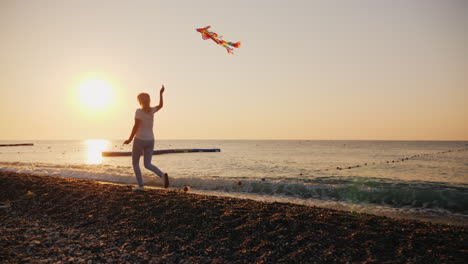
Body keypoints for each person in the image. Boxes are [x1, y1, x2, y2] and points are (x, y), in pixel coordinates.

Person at [124, 85, 169, 191]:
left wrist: (130, 139)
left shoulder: (138, 111)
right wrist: (161, 93)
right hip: (150, 140)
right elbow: (161, 105)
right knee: (147, 164)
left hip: (139, 139)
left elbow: (136, 126)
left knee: (135, 163)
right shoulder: (152, 110)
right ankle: (162, 176)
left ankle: (140, 186)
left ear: (139, 101)